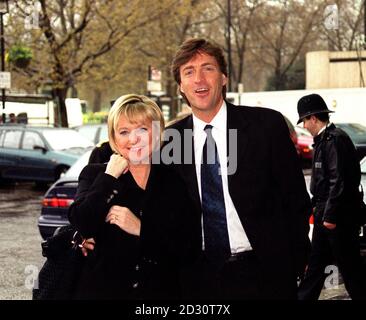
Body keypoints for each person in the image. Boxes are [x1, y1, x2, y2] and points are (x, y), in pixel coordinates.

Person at [164, 38, 312, 299]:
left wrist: (295, 260)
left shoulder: (266, 126)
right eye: (189, 71)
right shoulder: (169, 140)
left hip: (265, 275)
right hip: (198, 279)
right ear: (180, 86)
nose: (199, 79)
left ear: (223, 78)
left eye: (207, 68)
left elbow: (296, 199)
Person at [68, 94, 199, 299]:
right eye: (124, 132)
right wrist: (109, 177)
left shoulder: (173, 180)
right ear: (113, 137)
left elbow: (188, 247)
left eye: (142, 129)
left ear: (156, 134)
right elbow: (81, 221)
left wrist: (140, 228)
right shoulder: (96, 175)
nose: (133, 139)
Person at [296, 93, 366, 300]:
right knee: (316, 267)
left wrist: (329, 217)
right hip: (325, 215)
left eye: (305, 121)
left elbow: (339, 181)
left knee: (350, 267)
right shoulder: (324, 140)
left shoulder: (334, 140)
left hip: (336, 219)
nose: (305, 126)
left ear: (313, 118)